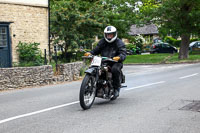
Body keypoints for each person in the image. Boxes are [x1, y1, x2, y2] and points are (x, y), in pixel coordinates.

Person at [84, 26, 126, 98]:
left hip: (115, 62)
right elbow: (96, 50)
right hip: (104, 60)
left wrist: (119, 57)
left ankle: (116, 88)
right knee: (94, 68)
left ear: (114, 34)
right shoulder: (102, 42)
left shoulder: (119, 43)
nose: (109, 36)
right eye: (107, 34)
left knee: (115, 69)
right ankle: (89, 85)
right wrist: (90, 53)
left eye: (110, 34)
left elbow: (123, 53)